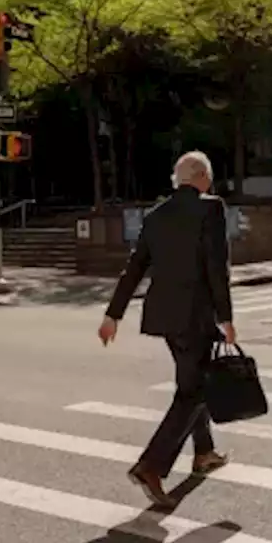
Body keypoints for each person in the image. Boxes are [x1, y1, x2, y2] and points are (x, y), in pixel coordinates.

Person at [98, 151, 235, 508]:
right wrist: (226, 317)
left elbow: (135, 266)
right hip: (197, 316)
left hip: (163, 316)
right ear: (202, 176)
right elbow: (216, 266)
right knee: (193, 391)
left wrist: (113, 315)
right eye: (210, 177)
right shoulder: (211, 209)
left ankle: (204, 452)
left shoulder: (156, 216)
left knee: (193, 380)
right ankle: (152, 465)